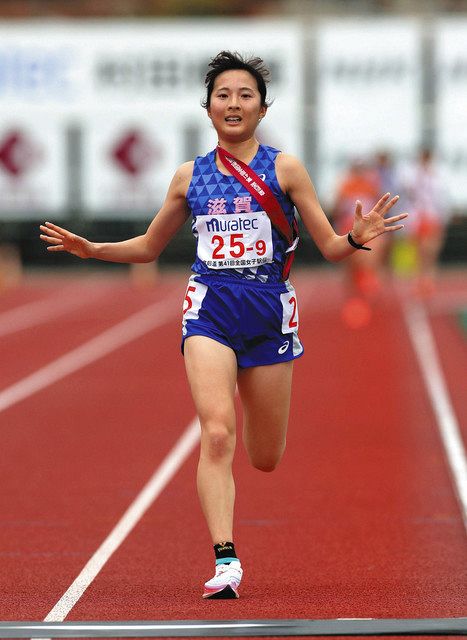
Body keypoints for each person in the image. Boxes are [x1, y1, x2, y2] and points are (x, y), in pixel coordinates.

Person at [40, 51, 407, 599]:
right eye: (223, 95)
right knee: (216, 432)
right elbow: (148, 246)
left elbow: (330, 247)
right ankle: (226, 558)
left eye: (245, 96)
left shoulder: (285, 169)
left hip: (268, 309)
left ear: (261, 108)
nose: (233, 104)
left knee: (265, 456)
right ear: (208, 107)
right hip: (209, 306)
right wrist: (93, 249)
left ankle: (241, 506)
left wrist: (358, 237)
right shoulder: (189, 177)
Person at [403, 147, 450, 298]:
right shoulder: (415, 175)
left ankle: (428, 281)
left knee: (430, 252)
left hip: (431, 217)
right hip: (421, 218)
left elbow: (440, 199)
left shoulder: (435, 177)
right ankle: (420, 281)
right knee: (421, 252)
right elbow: (410, 194)